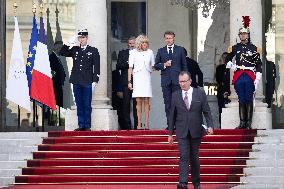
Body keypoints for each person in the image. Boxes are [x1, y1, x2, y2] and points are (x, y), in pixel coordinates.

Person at [168, 71, 213, 189]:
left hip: (196, 129)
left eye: (184, 81)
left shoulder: (200, 93)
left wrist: (210, 125)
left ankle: (196, 183)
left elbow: (207, 111)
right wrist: (170, 134)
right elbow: (172, 115)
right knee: (183, 155)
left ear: (190, 81)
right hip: (181, 130)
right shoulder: (175, 95)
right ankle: (183, 183)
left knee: (194, 156)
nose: (182, 84)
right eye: (180, 82)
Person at [59, 28, 100, 131]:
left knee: (87, 104)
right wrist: (69, 42)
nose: (81, 40)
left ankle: (87, 126)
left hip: (87, 81)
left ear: (87, 38)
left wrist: (95, 80)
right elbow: (62, 53)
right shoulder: (75, 49)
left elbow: (97, 67)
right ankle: (81, 125)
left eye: (83, 37)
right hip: (76, 80)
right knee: (79, 104)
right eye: (80, 38)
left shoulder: (93, 50)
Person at [226, 16, 262, 129]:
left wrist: (258, 77)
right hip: (239, 75)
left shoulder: (254, 48)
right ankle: (242, 122)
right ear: (239, 35)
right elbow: (227, 59)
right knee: (241, 98)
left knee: (249, 98)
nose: (243, 36)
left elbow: (259, 64)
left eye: (245, 34)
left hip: (250, 75)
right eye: (241, 34)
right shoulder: (234, 48)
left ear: (248, 35)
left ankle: (248, 123)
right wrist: (230, 64)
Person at [155, 31, 187, 130]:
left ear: (174, 38)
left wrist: (185, 79)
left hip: (178, 81)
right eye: (167, 38)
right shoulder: (161, 51)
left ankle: (178, 125)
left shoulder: (180, 50)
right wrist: (164, 65)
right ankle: (170, 125)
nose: (169, 40)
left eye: (170, 38)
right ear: (165, 39)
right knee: (168, 104)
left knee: (178, 103)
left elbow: (184, 65)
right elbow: (156, 65)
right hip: (166, 81)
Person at [128, 35, 155, 130]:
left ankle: (147, 124)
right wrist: (129, 81)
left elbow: (153, 65)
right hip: (137, 77)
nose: (146, 45)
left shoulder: (150, 52)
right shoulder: (133, 53)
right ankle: (139, 124)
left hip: (146, 77)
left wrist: (162, 65)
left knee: (147, 100)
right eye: (144, 43)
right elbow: (130, 68)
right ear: (139, 44)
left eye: (146, 43)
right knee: (138, 100)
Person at [116, 37, 138, 130]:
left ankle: (137, 126)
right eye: (130, 43)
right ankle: (127, 126)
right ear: (127, 44)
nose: (131, 45)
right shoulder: (123, 53)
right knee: (126, 105)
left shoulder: (140, 53)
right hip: (125, 82)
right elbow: (118, 66)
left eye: (133, 43)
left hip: (138, 82)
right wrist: (128, 63)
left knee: (136, 105)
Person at [215, 52, 231, 124]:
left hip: (230, 92)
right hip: (221, 92)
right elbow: (218, 79)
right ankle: (221, 126)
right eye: (223, 57)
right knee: (221, 110)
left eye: (226, 57)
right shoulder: (219, 68)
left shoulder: (231, 67)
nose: (225, 59)